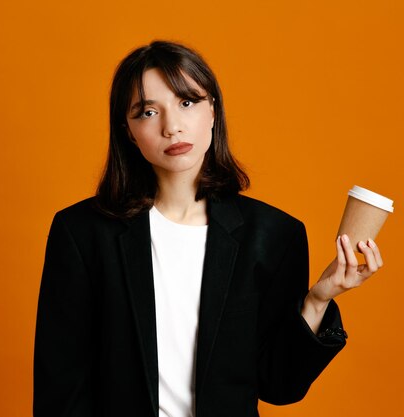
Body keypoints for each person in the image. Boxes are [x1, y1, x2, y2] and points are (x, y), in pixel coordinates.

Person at [33, 40, 384, 417]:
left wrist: (318, 300)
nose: (172, 127)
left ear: (213, 111)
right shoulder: (82, 233)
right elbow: (60, 389)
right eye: (148, 111)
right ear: (128, 131)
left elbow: (279, 386)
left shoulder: (273, 235)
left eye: (187, 102)